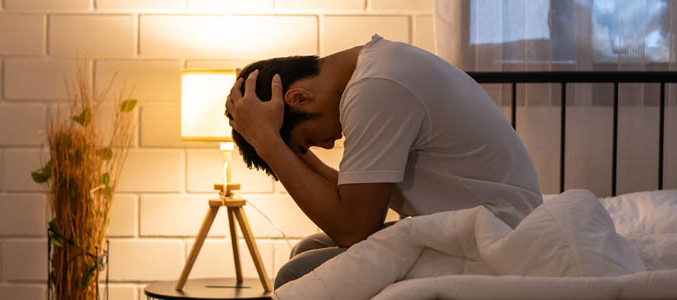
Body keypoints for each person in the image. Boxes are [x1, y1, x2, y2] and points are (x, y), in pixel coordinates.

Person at [225, 35, 542, 288]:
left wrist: (269, 143)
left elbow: (354, 229)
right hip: (477, 227)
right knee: (310, 248)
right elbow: (356, 198)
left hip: (494, 238)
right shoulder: (379, 68)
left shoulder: (377, 88)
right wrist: (277, 147)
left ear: (299, 98)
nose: (329, 144)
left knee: (296, 275)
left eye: (308, 141)